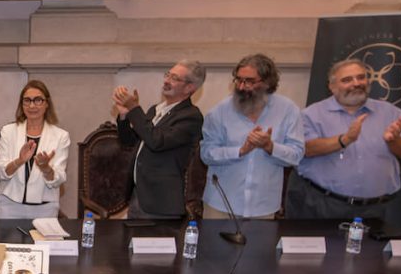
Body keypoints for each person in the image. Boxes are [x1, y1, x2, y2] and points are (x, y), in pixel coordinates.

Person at [286, 60, 401, 220]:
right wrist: (344, 140)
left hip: (378, 209)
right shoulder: (311, 114)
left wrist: (394, 140)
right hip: (325, 206)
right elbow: (306, 149)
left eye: (361, 77)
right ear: (332, 87)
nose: (356, 83)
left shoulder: (391, 113)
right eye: (347, 80)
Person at [200, 54, 304, 219]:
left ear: (267, 82)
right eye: (238, 80)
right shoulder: (219, 112)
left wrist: (270, 147)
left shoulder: (288, 111)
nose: (242, 87)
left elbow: (296, 155)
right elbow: (206, 154)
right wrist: (240, 151)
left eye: (249, 81)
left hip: (263, 206)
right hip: (221, 203)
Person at [113, 61, 206, 218]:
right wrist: (124, 114)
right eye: (168, 75)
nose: (166, 81)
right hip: (138, 195)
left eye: (174, 78)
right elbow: (129, 142)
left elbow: (156, 141)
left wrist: (134, 109)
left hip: (161, 203)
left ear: (189, 88)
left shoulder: (190, 116)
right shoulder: (155, 110)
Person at [0, 80, 69, 218]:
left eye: (38, 100)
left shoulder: (61, 136)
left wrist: (46, 168)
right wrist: (19, 161)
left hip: (44, 209)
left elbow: (59, 178)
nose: (32, 105)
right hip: (9, 207)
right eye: (27, 100)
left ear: (47, 103)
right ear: (22, 104)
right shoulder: (8, 131)